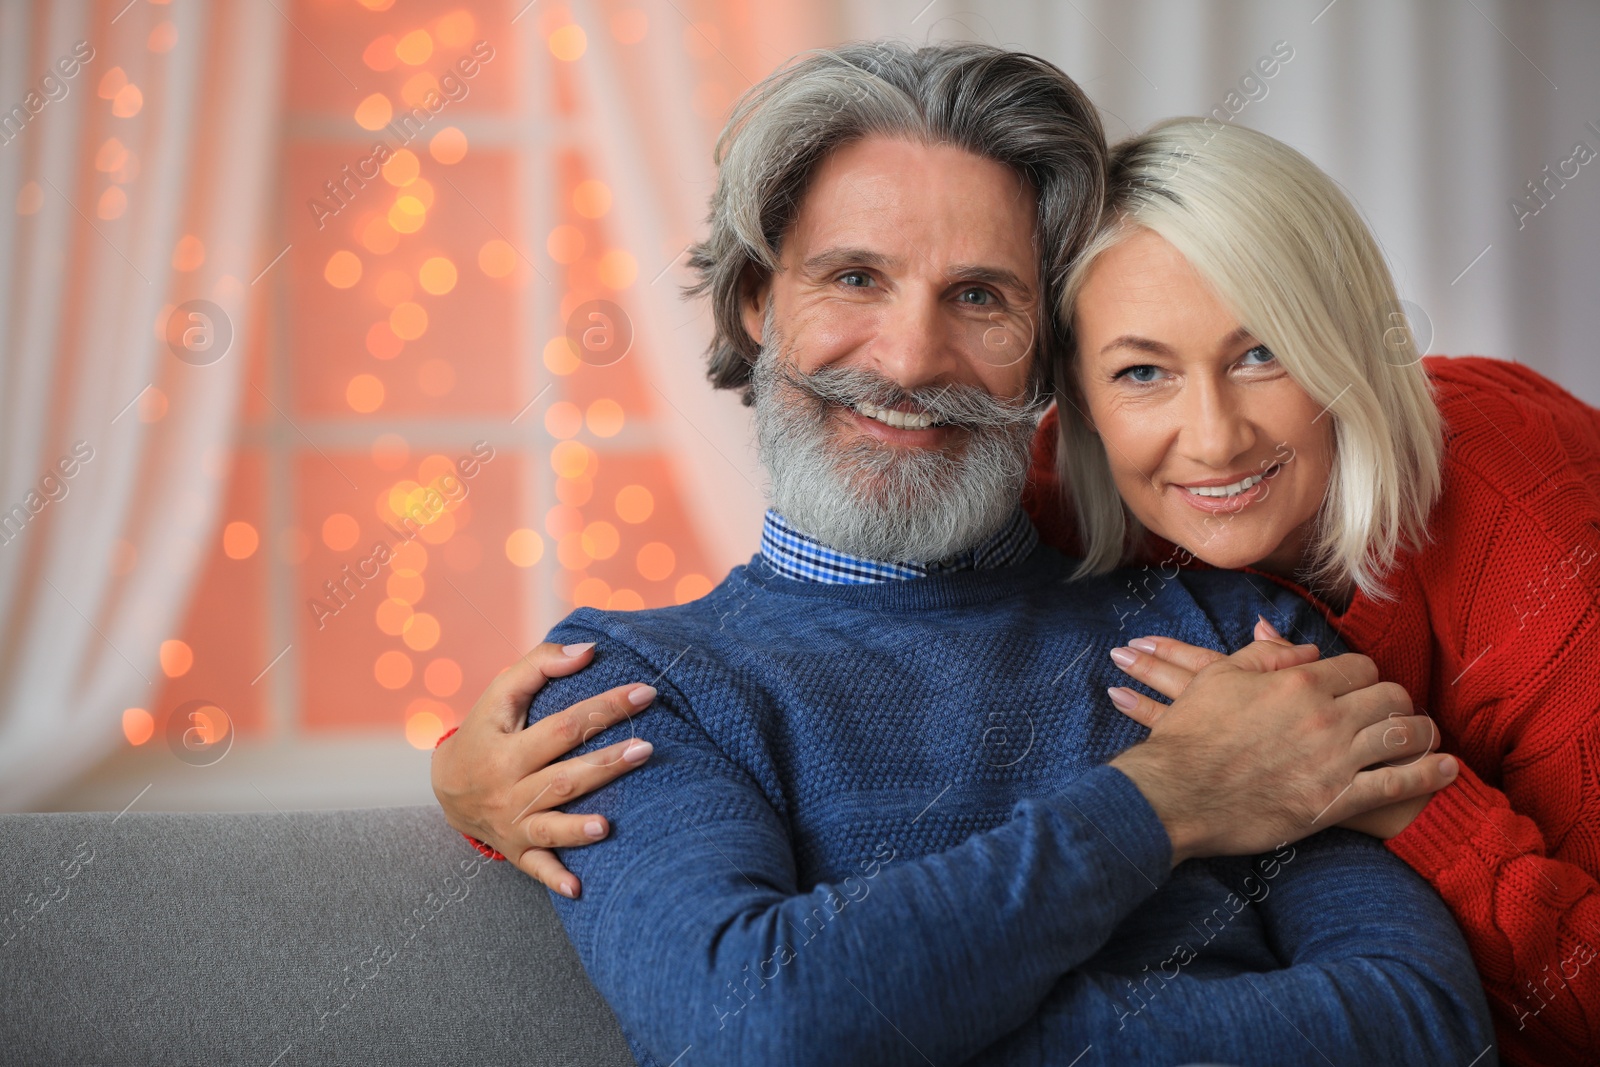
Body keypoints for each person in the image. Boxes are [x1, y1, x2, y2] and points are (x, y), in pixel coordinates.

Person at [432, 42, 1489, 1065]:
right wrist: (1166, 798)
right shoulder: (634, 685)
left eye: (980, 296)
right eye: (853, 277)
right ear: (757, 304)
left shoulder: (1227, 631)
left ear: (1048, 351)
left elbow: (1431, 1024)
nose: (907, 359)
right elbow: (751, 1030)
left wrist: (901, 1021)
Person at [1022, 116, 1600, 1065]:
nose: (1213, 439)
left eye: (1261, 353)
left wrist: (1397, 793)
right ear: (1079, 403)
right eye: (1142, 372)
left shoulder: (1523, 545)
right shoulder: (1072, 497)